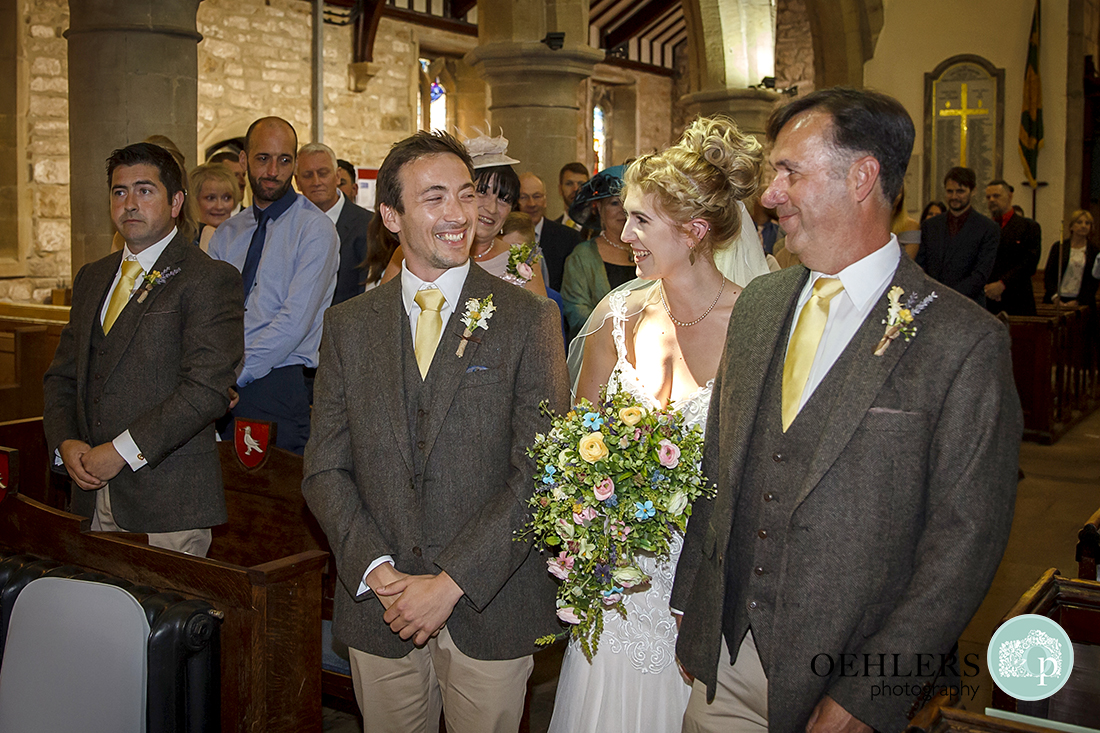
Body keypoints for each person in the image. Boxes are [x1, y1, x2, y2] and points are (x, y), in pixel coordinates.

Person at [671, 88, 1022, 733]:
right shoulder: (760, 305)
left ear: (862, 177)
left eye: (789, 172)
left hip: (845, 673)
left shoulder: (960, 340)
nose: (769, 195)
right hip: (726, 661)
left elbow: (964, 542)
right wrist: (694, 607)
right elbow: (715, 471)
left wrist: (872, 693)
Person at [302, 130, 569, 733]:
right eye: (435, 198)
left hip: (488, 602)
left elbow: (541, 473)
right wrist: (376, 570)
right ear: (392, 216)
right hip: (382, 605)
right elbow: (325, 467)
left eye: (466, 195)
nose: (459, 214)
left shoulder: (528, 319)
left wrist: (451, 582)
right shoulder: (349, 325)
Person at [549, 116, 762, 733]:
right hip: (617, 581)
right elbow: (575, 437)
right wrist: (585, 517)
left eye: (641, 219)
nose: (623, 232)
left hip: (702, 581)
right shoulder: (617, 317)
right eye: (624, 215)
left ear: (695, 231)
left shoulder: (754, 325)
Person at [43, 142, 244, 558]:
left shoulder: (208, 279)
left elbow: (205, 390)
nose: (130, 203)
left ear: (175, 202)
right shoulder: (92, 278)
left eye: (144, 190)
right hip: (89, 492)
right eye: (119, 192)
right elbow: (62, 376)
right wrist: (65, 442)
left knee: (159, 621)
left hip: (167, 499)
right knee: (95, 616)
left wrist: (119, 453)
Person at [208, 116, 339, 455]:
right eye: (262, 158)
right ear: (243, 161)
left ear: (293, 164)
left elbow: (294, 322)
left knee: (274, 504)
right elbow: (211, 314)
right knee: (223, 499)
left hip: (277, 383)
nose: (272, 171)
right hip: (220, 384)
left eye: (284, 160)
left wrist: (237, 373)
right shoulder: (228, 233)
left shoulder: (315, 230)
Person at [559, 166, 635, 339]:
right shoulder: (582, 256)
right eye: (614, 203)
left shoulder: (648, 251)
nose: (622, 210)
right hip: (600, 351)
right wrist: (620, 334)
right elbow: (577, 312)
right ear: (599, 208)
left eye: (627, 202)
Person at [295, 142, 374, 306]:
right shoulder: (289, 226)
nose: (316, 182)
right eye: (308, 175)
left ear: (337, 176)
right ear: (297, 182)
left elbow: (369, 293)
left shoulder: (368, 225)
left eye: (323, 173)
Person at [915, 166, 998, 305]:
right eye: (950, 191)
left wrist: (946, 296)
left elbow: (980, 275)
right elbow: (921, 265)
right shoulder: (930, 226)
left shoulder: (988, 228)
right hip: (932, 304)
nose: (954, 197)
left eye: (960, 191)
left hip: (969, 305)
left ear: (973, 191)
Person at [984, 179, 1041, 316]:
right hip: (988, 300)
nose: (991, 200)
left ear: (1009, 196)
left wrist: (1002, 284)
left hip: (1017, 300)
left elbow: (1029, 263)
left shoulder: (1028, 227)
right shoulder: (983, 228)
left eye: (996, 196)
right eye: (988, 197)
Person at [519, 171, 582, 291]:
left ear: (545, 200)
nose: (531, 204)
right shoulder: (503, 237)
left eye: (537, 196)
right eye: (524, 197)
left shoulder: (569, 238)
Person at [1044, 209, 1099, 308]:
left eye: (1087, 223)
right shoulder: (1059, 247)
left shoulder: (1094, 251)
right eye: (1079, 222)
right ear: (1072, 226)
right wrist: (1055, 298)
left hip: (1082, 301)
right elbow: (1049, 275)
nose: (1083, 226)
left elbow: (1093, 281)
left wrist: (1079, 301)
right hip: (1057, 299)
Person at [189, 163, 242, 251]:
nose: (219, 206)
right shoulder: (186, 241)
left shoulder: (243, 237)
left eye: (226, 198)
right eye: (210, 198)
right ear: (194, 200)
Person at [555, 162, 590, 233]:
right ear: (560, 189)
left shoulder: (600, 230)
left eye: (581, 184)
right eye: (569, 184)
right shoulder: (551, 230)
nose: (575, 189)